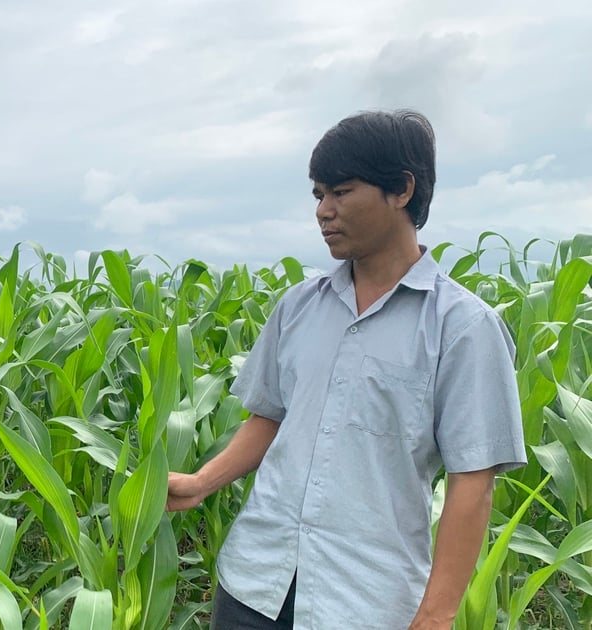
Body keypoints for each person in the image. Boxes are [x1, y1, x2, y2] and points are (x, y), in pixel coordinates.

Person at [167, 110, 527, 629]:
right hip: (254, 585)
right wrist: (203, 482)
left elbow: (474, 483)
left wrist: (437, 615)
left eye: (341, 191)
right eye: (318, 195)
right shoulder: (298, 307)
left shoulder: (464, 327)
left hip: (364, 602)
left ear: (402, 190)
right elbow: (270, 417)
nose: (323, 211)